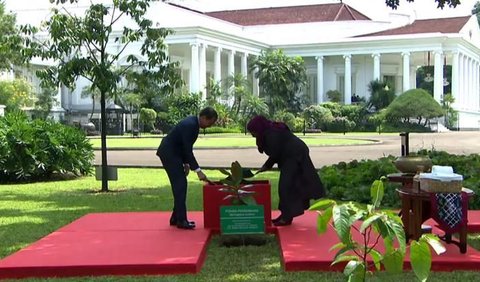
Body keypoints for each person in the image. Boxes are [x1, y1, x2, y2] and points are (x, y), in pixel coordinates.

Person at [247, 115, 325, 226]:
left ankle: (286, 217)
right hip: (291, 154)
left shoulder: (271, 134)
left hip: (295, 155)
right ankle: (285, 215)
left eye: (253, 132)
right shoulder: (269, 131)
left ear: (258, 128)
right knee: (289, 185)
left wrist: (266, 166)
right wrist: (266, 166)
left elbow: (275, 154)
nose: (252, 135)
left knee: (285, 186)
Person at [157, 107, 218, 229]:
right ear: (204, 117)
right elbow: (187, 150)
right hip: (169, 154)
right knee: (180, 185)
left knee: (180, 185)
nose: (209, 126)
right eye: (210, 123)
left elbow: (185, 146)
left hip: (174, 154)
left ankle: (176, 217)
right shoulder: (190, 125)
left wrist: (186, 164)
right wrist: (198, 171)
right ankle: (181, 220)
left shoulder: (193, 124)